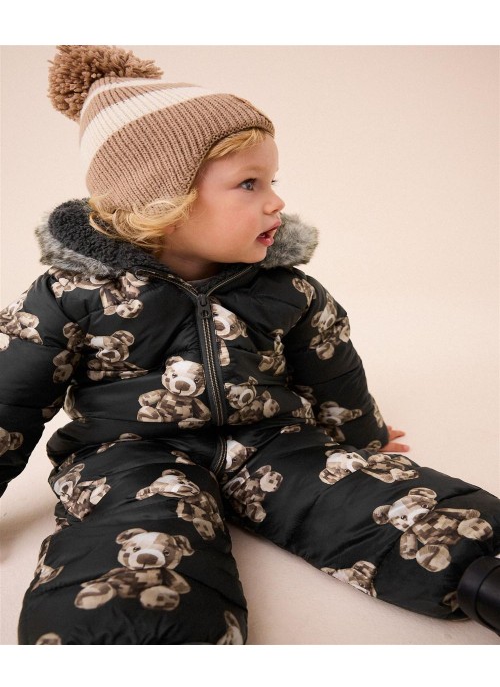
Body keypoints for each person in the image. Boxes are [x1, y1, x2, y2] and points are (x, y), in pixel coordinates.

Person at [0, 45, 498, 645]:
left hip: (274, 444)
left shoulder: (285, 289)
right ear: (163, 202)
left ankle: (485, 574)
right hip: (127, 453)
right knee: (135, 548)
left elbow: (331, 370)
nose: (276, 201)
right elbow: (9, 398)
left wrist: (361, 440)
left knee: (381, 503)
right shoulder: (70, 296)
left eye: (272, 181)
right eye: (248, 183)